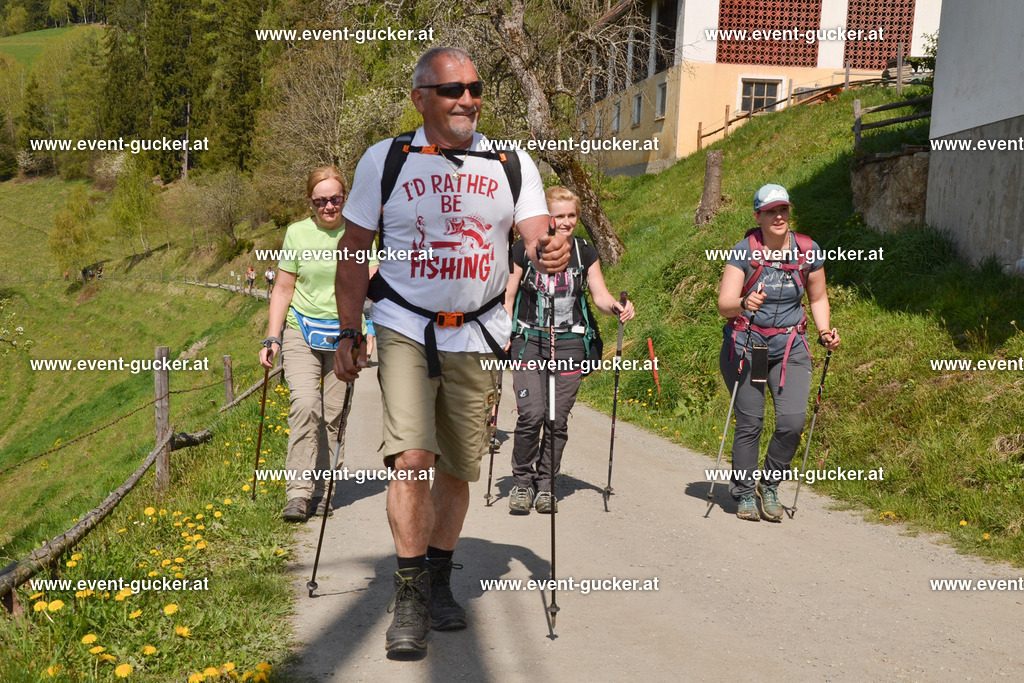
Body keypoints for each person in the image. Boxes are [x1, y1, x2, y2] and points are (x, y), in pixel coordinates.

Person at [333, 46, 569, 656]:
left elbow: (536, 232)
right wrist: (347, 330)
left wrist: (551, 251)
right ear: (420, 98)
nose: (467, 98)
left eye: (475, 87)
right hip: (404, 325)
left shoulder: (511, 162)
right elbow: (356, 248)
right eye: (451, 90)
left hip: (480, 332)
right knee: (411, 457)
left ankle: (439, 579)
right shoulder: (386, 159)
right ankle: (408, 594)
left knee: (460, 468)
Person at [504, 186, 635, 514]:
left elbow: (600, 296)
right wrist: (502, 332)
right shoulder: (523, 249)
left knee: (556, 418)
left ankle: (546, 484)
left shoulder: (584, 253)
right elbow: (508, 297)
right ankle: (522, 483)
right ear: (545, 217)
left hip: (570, 343)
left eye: (571, 215)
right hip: (528, 341)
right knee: (531, 414)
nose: (566, 222)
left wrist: (618, 308)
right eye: (559, 215)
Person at [716, 184, 841, 522]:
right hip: (747, 346)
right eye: (771, 211)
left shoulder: (807, 250)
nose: (779, 216)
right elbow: (724, 304)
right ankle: (743, 491)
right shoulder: (744, 251)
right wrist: (744, 302)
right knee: (751, 422)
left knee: (791, 423)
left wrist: (824, 331)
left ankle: (769, 484)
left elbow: (817, 297)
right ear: (757, 216)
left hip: (790, 346)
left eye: (783, 209)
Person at [258, 166, 373, 523]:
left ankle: (325, 491)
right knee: (306, 405)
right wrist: (272, 337)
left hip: (346, 334)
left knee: (334, 415)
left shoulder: (361, 234)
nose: (328, 206)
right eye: (320, 200)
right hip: (301, 329)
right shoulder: (297, 233)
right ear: (310, 202)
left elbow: (375, 286)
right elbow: (283, 289)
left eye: (335, 199)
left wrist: (372, 336)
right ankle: (298, 493)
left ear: (345, 198)